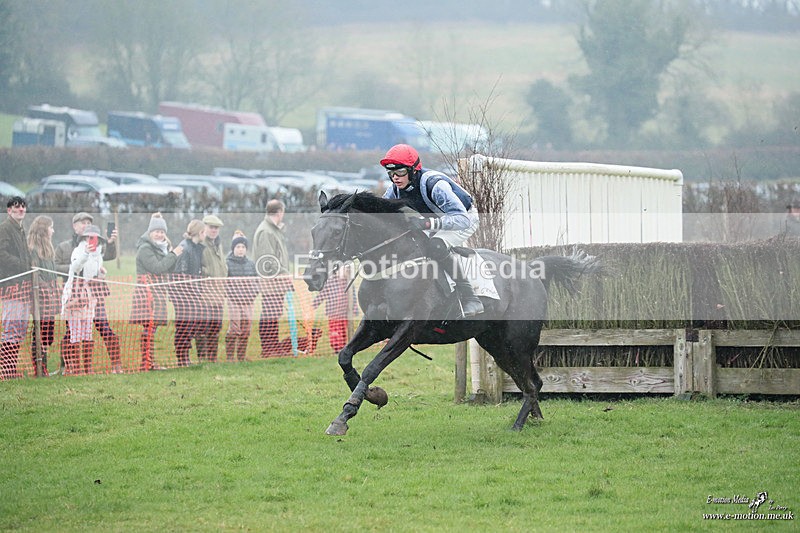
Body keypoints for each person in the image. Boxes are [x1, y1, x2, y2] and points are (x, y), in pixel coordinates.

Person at [381, 143, 484, 317]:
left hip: (465, 219)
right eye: (391, 173)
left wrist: (427, 224)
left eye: (400, 172)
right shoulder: (395, 190)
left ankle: (470, 298)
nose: (395, 178)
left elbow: (461, 219)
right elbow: (381, 212)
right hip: (439, 221)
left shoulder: (435, 184)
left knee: (436, 245)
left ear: (413, 170)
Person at [252, 199, 321, 356]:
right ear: (279, 212)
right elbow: (267, 259)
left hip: (278, 282)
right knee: (269, 316)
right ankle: (268, 349)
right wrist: (285, 273)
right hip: (271, 282)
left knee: (274, 315)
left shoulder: (274, 230)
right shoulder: (266, 231)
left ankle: (272, 347)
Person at [55, 212, 121, 374]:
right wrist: (75, 270)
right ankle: (68, 366)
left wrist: (111, 242)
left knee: (103, 326)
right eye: (82, 222)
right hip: (75, 295)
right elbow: (55, 267)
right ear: (75, 225)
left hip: (94, 293)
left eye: (88, 222)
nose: (85, 225)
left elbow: (110, 256)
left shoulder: (97, 244)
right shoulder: (65, 247)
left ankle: (116, 363)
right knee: (72, 332)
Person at [131, 213, 183, 371]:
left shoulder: (163, 248)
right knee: (149, 328)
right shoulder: (145, 249)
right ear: (150, 232)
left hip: (158, 293)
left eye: (162, 231)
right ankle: (146, 363)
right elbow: (158, 268)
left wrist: (172, 255)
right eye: (156, 231)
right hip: (147, 294)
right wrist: (174, 255)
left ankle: (149, 362)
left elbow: (169, 268)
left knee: (152, 328)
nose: (160, 234)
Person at [60, 225, 107, 375]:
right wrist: (86, 254)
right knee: (75, 331)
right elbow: (75, 267)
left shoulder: (98, 255)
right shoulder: (78, 251)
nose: (91, 240)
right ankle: (75, 368)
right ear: (84, 238)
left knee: (87, 330)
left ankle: (87, 368)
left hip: (89, 295)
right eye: (89, 237)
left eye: (94, 238)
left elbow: (93, 276)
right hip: (75, 293)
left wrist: (101, 274)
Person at [0, 196, 32, 380]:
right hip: (10, 285)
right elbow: (1, 254)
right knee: (10, 328)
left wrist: (29, 265)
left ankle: (11, 369)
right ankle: (5, 370)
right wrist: (22, 265)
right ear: (8, 210)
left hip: (22, 285)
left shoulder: (20, 230)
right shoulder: (4, 228)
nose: (20, 209)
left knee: (19, 329)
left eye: (23, 207)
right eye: (16, 207)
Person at [27, 216, 61, 376]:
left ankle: (43, 366)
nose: (53, 230)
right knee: (39, 334)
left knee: (49, 335)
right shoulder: (33, 249)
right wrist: (46, 289)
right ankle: (40, 368)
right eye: (51, 227)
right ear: (43, 229)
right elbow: (36, 274)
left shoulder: (48, 249)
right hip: (40, 298)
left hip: (51, 297)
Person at [171, 219, 205, 367]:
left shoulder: (196, 247)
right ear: (200, 233)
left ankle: (186, 358)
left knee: (190, 326)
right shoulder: (185, 248)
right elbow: (181, 274)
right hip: (183, 296)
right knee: (184, 326)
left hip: (192, 295)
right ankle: (182, 358)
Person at [197, 214, 227, 362]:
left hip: (219, 295)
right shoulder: (201, 245)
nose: (214, 230)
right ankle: (202, 359)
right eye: (211, 227)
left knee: (216, 328)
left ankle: (212, 358)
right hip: (205, 295)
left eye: (216, 228)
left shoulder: (219, 245)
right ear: (205, 228)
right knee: (203, 329)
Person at [225, 231, 258, 361]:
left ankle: (241, 357)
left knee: (246, 329)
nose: (240, 250)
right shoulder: (227, 263)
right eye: (238, 247)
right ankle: (230, 357)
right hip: (234, 301)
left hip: (248, 301)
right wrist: (232, 294)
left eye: (243, 247)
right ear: (233, 248)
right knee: (234, 328)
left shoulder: (251, 264)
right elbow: (225, 282)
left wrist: (254, 293)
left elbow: (256, 281)